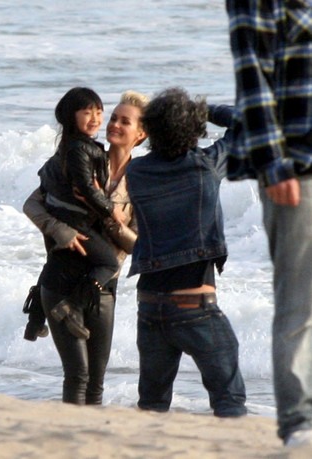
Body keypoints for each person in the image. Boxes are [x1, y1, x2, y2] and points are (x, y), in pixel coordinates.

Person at [125, 87, 247, 418]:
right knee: (228, 399)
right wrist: (204, 110)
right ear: (193, 129)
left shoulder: (135, 173)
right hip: (194, 307)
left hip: (149, 306)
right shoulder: (205, 167)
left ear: (149, 129)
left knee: (152, 404)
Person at [23, 90, 148, 405]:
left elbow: (139, 246)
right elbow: (32, 204)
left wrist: (111, 222)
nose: (113, 125)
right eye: (114, 117)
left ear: (141, 133)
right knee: (77, 376)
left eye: (124, 121)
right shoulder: (83, 158)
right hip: (62, 276)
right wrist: (59, 229)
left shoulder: (145, 182)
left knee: (96, 382)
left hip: (103, 286)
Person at [226, 0, 312, 445]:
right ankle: (300, 423)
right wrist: (273, 160)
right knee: (300, 300)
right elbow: (252, 73)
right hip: (297, 166)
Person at [35, 87, 121, 340]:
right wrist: (109, 208)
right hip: (75, 220)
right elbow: (85, 188)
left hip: (71, 218)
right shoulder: (77, 149)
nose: (95, 118)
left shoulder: (82, 147)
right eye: (87, 112)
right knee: (108, 262)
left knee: (58, 262)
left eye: (99, 112)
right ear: (72, 116)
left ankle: (36, 316)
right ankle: (71, 307)